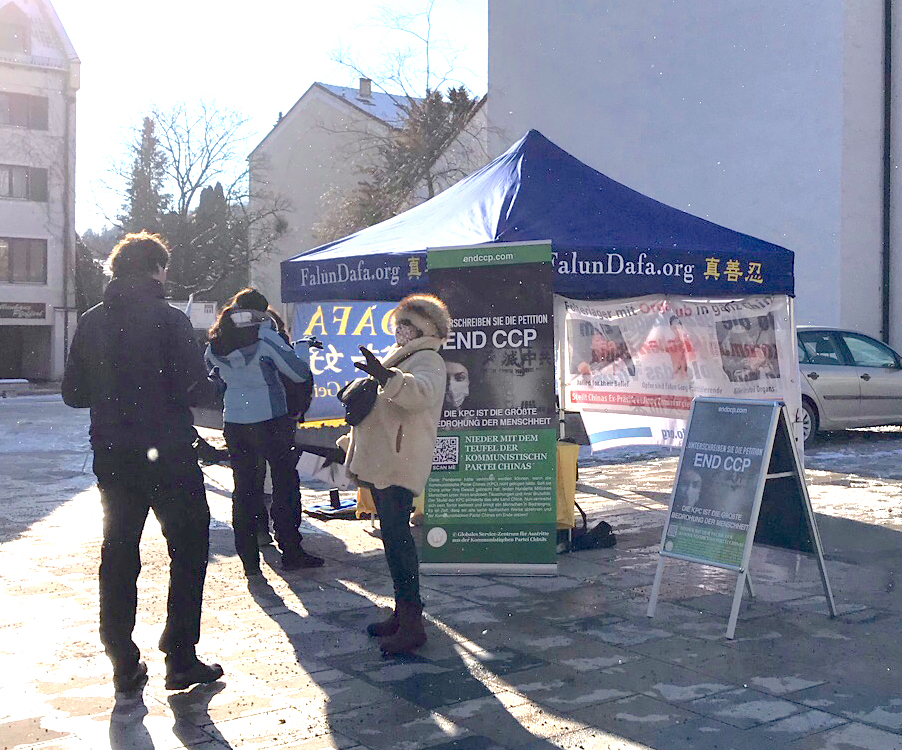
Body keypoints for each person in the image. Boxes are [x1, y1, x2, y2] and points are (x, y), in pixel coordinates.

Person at [61, 232, 223, 694]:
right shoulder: (170, 320)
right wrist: (211, 383)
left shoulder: (91, 321)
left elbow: (73, 393)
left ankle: (122, 659)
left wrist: (113, 391)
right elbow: (196, 390)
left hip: (113, 456)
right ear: (156, 269)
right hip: (169, 455)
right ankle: (180, 655)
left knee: (118, 553)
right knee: (188, 549)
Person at [337, 293, 450, 655]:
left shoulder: (428, 358)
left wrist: (387, 376)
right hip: (385, 460)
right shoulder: (402, 354)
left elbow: (420, 394)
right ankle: (403, 613)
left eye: (407, 323)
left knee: (399, 541)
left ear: (425, 327)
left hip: (400, 461)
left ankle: (412, 622)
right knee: (392, 538)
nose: (400, 329)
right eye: (398, 322)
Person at [205, 288, 322, 577]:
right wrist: (301, 349)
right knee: (284, 483)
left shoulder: (216, 341)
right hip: (271, 420)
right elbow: (298, 373)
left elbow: (214, 376)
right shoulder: (266, 336)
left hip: (234, 421)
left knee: (244, 488)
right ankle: (291, 550)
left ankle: (249, 559)